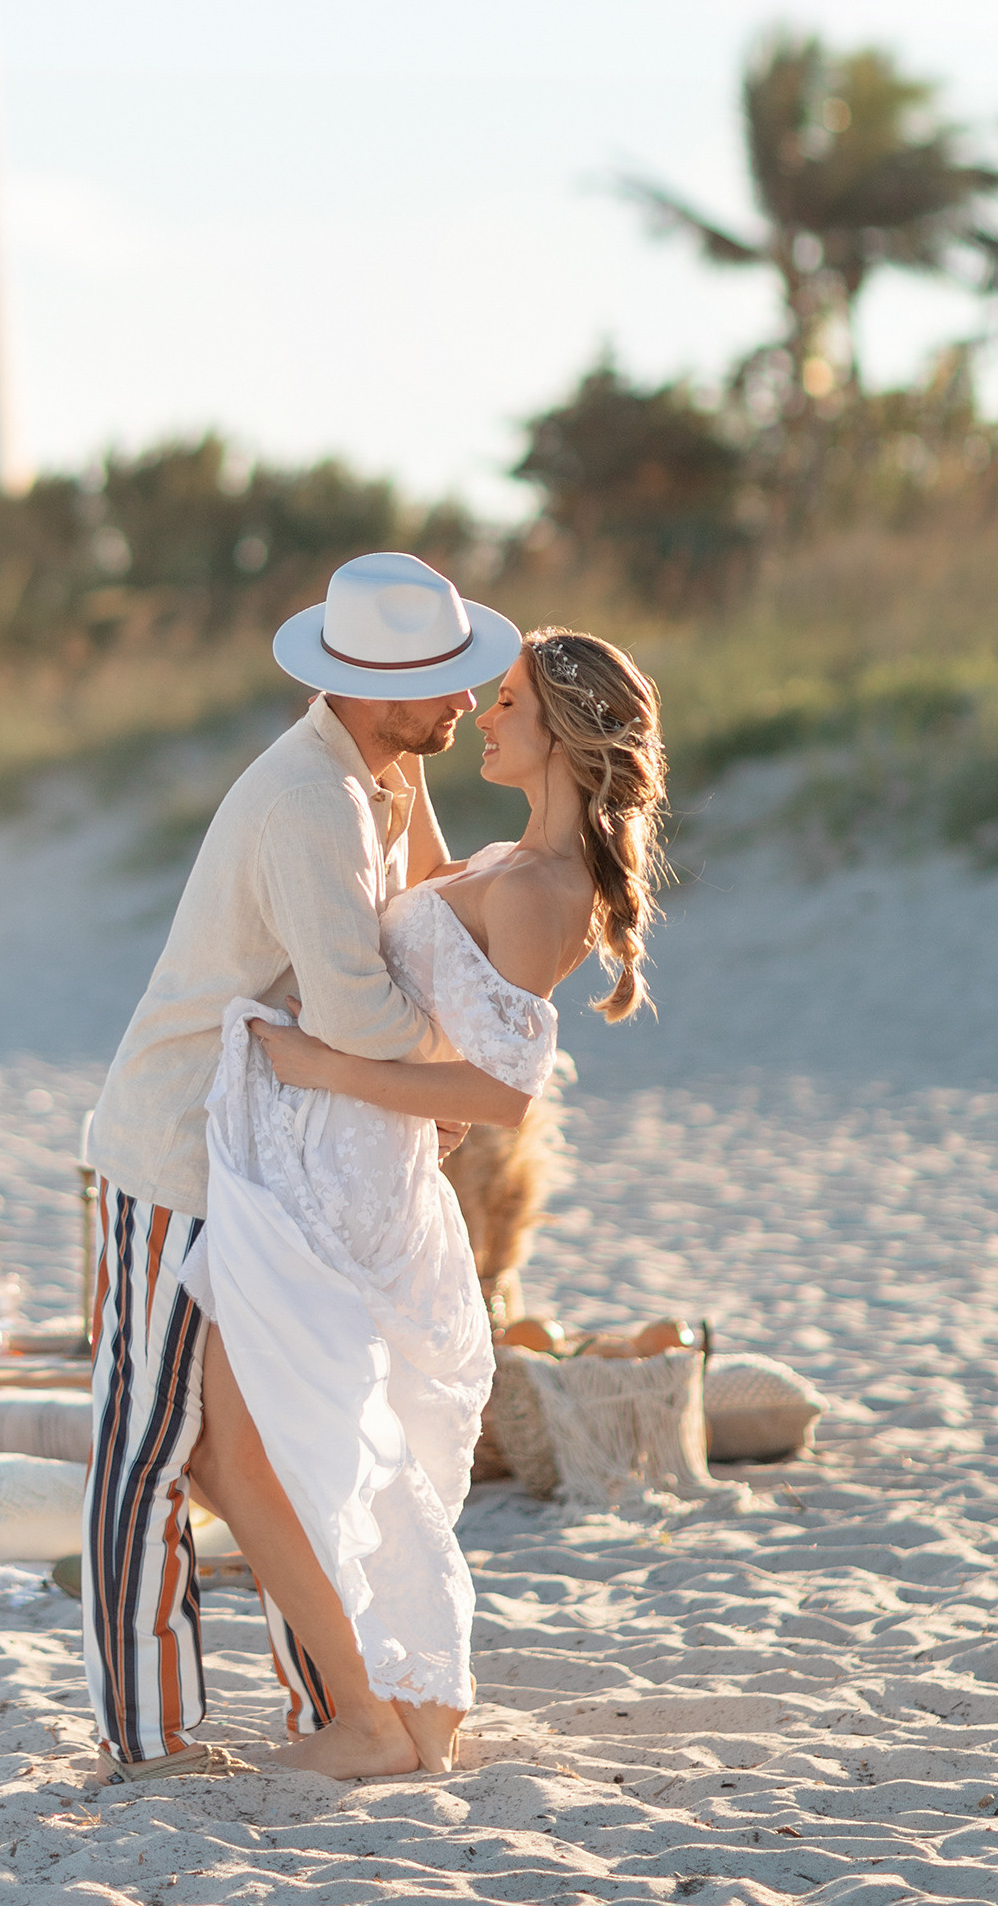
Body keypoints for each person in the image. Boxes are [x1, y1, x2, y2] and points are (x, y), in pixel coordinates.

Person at [79, 550, 523, 1779]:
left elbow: (426, 902)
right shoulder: (308, 803)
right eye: (445, 686)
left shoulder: (374, 775)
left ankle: (336, 1712)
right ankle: (151, 1736)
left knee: (276, 1434)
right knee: (153, 1450)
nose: (466, 705)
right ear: (375, 690)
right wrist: (443, 1076)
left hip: (272, 1159)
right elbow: (361, 1020)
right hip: (175, 1152)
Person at [200, 620, 666, 1776]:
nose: (483, 717)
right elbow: (414, 899)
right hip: (337, 1151)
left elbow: (503, 1093)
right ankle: (407, 1708)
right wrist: (389, 736)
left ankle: (385, 1718)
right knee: (309, 1437)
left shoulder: (542, 890)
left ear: (559, 732)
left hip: (348, 1160)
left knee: (261, 1445)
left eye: (504, 702)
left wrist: (325, 1070)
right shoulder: (507, 863)